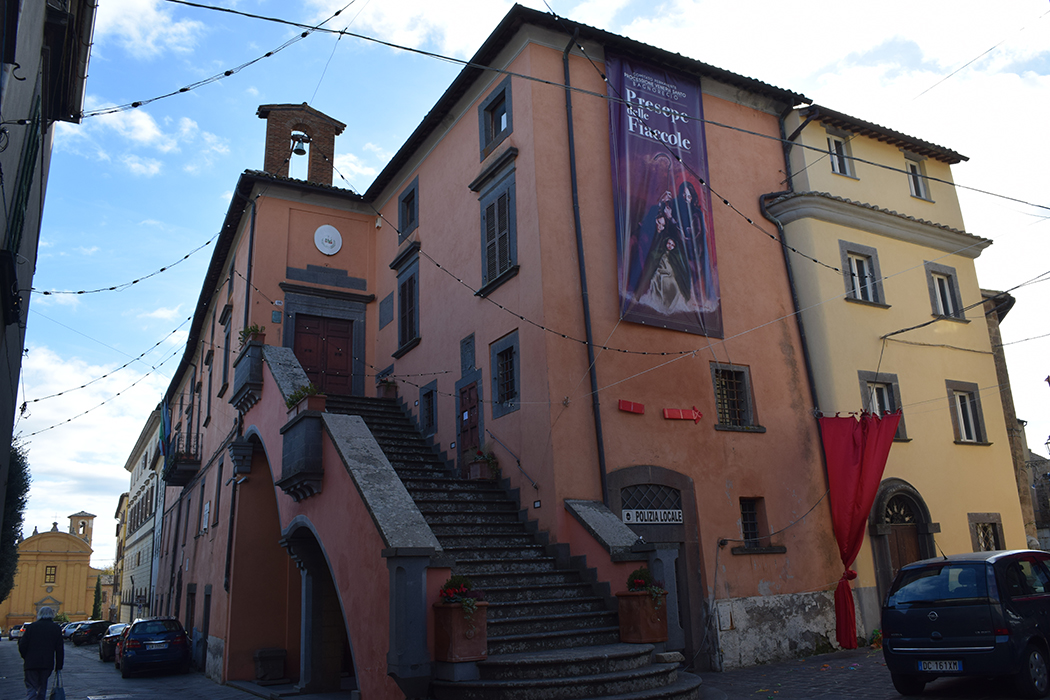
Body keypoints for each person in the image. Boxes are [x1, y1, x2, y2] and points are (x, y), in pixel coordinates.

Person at [18, 606, 64, 700]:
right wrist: (59, 666)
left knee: (31, 688)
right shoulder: (56, 628)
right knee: (42, 687)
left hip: (31, 663)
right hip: (46, 663)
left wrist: (26, 657)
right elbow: (59, 649)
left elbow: (22, 645)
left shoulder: (31, 627)